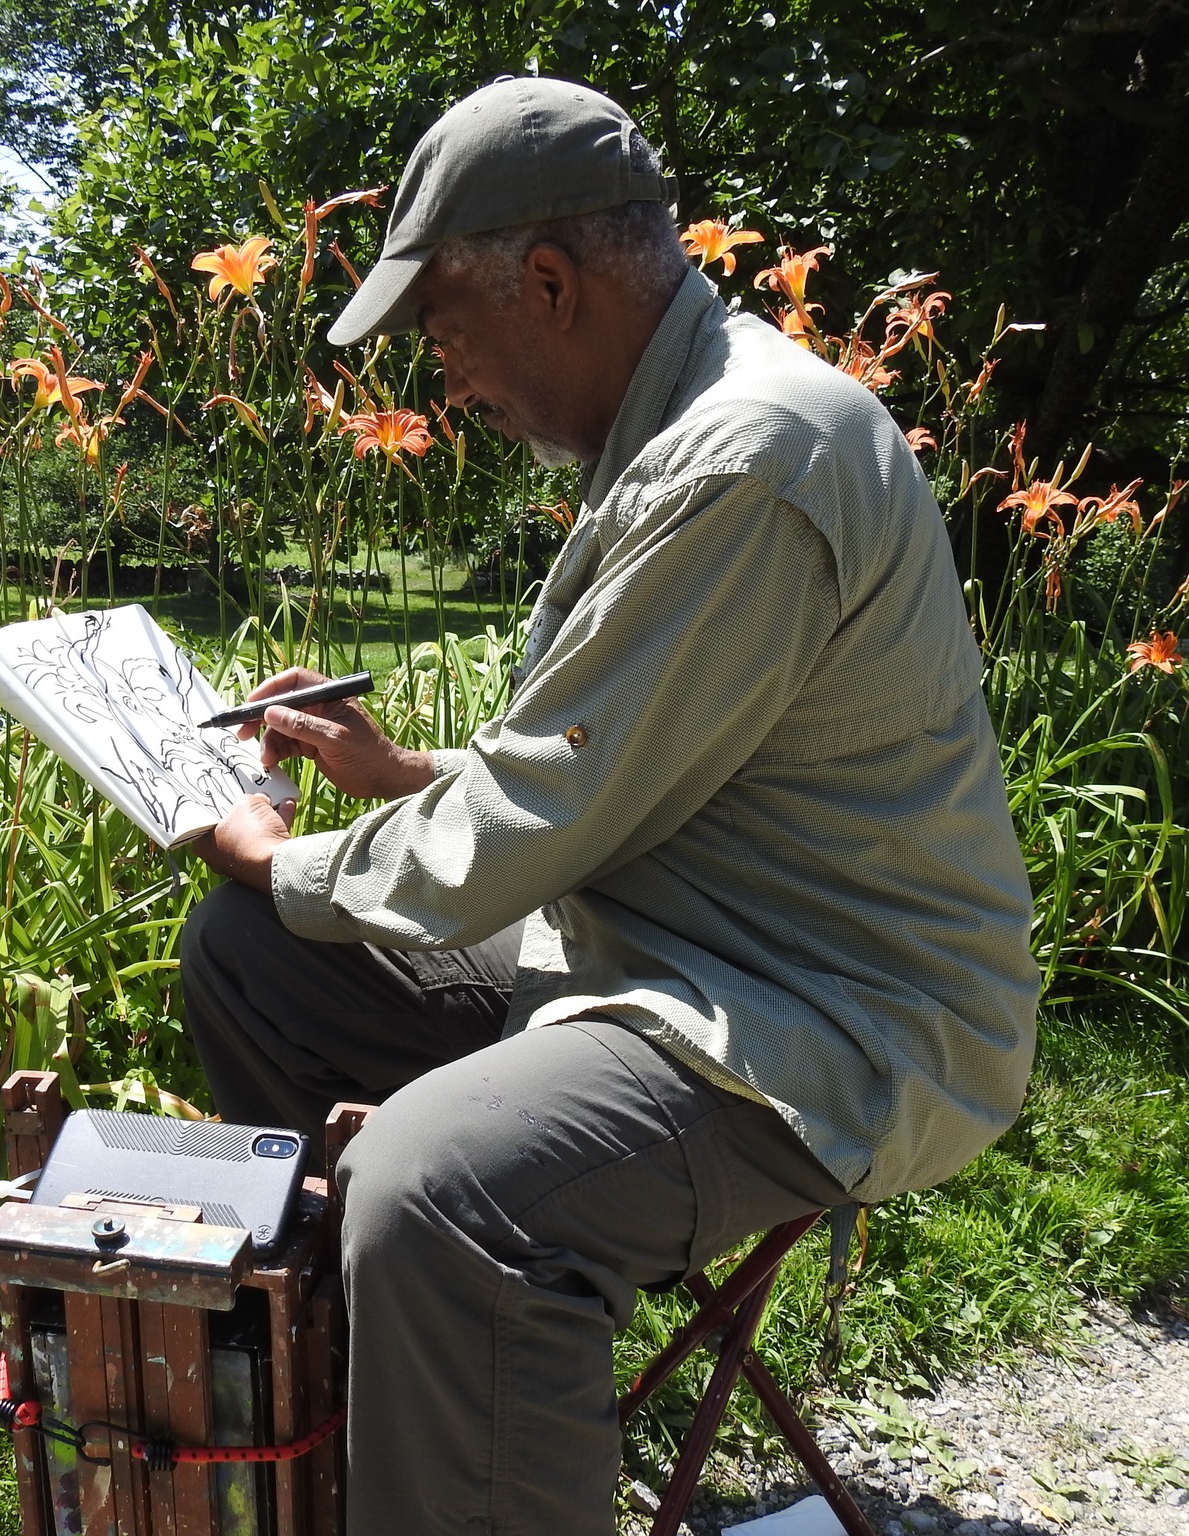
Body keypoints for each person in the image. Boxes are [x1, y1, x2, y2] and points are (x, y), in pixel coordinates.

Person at [183, 76, 1039, 1536]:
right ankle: (418, 1418)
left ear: (551, 283)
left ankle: (464, 1402)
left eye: (442, 330)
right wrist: (392, 783)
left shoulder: (743, 457)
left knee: (444, 1184)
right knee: (252, 962)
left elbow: (553, 805)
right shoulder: (685, 429)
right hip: (673, 956)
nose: (444, 379)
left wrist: (288, 858)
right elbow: (619, 779)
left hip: (828, 1022)